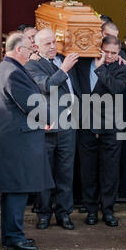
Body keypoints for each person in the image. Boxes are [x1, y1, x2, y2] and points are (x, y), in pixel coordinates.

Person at [0, 32, 54, 250]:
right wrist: (50, 117)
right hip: (19, 140)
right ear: (18, 49)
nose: (32, 52)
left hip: (15, 138)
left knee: (15, 191)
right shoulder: (12, 72)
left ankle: (12, 235)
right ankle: (14, 237)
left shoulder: (7, 68)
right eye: (29, 48)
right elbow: (32, 104)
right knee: (17, 190)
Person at [25, 28, 80, 230]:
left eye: (53, 42)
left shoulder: (63, 60)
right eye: (47, 43)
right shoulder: (32, 65)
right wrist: (63, 70)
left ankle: (64, 213)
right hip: (45, 126)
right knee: (44, 172)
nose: (52, 46)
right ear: (36, 46)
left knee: (66, 172)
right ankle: (44, 213)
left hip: (67, 125)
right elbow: (46, 85)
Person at [75, 35, 126, 227]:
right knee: (87, 170)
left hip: (111, 126)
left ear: (119, 53)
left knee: (110, 170)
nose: (109, 56)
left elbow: (116, 88)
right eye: (106, 52)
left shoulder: (123, 68)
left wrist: (100, 69)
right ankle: (90, 210)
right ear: (99, 49)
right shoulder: (81, 64)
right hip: (85, 124)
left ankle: (108, 210)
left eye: (113, 53)